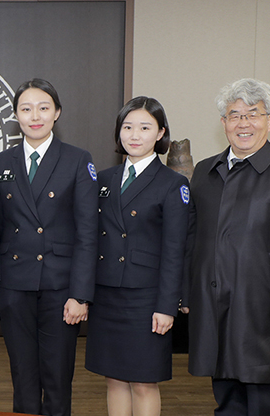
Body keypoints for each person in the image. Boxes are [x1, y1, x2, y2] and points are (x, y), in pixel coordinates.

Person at [181, 78, 270, 415]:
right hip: (213, 304)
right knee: (226, 397)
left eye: (253, 114)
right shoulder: (205, 171)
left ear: (269, 120)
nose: (244, 124)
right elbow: (191, 237)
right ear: (223, 123)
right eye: (235, 115)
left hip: (265, 309)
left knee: (263, 402)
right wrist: (187, 293)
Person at [0, 78, 98, 416]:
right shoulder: (0, 162)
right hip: (14, 284)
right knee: (22, 376)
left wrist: (81, 295)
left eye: (44, 108)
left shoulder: (77, 160)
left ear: (57, 113)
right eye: (26, 108)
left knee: (58, 378)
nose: (35, 116)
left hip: (61, 287)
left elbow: (88, 232)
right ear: (15, 115)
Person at [84, 96, 190, 416]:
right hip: (107, 294)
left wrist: (166, 306)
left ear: (160, 133)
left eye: (145, 127)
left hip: (147, 298)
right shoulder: (103, 179)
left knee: (144, 382)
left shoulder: (173, 184)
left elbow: (175, 250)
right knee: (114, 378)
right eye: (127, 127)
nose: (134, 135)